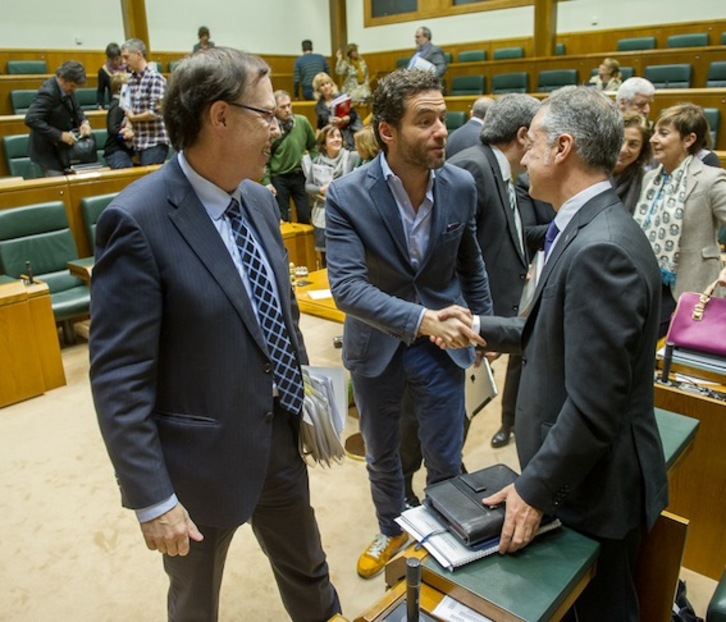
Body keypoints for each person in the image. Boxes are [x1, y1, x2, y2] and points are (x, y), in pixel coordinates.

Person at [89, 47, 340, 622]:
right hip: (196, 465)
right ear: (220, 117)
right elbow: (118, 378)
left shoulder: (257, 198)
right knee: (196, 603)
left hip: (277, 441)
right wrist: (152, 497)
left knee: (310, 575)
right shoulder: (137, 220)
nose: (279, 128)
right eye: (267, 115)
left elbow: (279, 313)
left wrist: (307, 399)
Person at [439, 86, 669, 622]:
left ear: (563, 147)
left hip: (596, 487)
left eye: (534, 137)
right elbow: (554, 329)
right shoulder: (585, 223)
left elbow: (594, 405)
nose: (526, 147)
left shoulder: (601, 247)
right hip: (581, 474)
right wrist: (477, 326)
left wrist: (533, 489)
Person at [325, 68, 493, 579]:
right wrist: (423, 320)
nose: (442, 129)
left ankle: (444, 538)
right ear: (388, 131)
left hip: (444, 348)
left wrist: (484, 326)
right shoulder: (347, 194)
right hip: (377, 346)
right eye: (426, 121)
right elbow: (348, 289)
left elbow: (471, 263)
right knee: (384, 457)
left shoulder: (461, 184)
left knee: (446, 454)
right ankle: (392, 527)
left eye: (443, 117)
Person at [448, 94, 540, 449]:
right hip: (462, 321)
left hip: (479, 322)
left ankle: (450, 466)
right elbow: (451, 258)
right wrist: (476, 322)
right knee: (446, 410)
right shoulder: (475, 167)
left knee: (462, 408)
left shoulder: (498, 168)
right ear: (522, 135)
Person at [634, 103, 726, 337]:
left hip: (691, 285)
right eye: (654, 132)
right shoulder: (650, 179)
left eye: (663, 133)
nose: (654, 139)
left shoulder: (710, 179)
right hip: (648, 283)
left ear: (688, 140)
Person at [25, 60, 92, 176]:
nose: (74, 90)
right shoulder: (48, 92)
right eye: (72, 86)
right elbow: (31, 119)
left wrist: (83, 122)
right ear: (62, 78)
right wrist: (59, 135)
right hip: (47, 153)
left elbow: (76, 108)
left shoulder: (67, 89)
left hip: (64, 151)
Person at [304, 124, 358, 263]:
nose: (337, 139)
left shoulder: (351, 157)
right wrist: (320, 190)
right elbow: (308, 186)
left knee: (346, 256)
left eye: (339, 136)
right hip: (323, 212)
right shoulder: (317, 161)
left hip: (346, 212)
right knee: (326, 258)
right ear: (324, 143)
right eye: (332, 137)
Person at [262, 89, 317, 223]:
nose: (287, 109)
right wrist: (266, 181)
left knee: (305, 214)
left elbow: (313, 146)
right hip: (279, 178)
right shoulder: (270, 129)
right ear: (275, 110)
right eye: (283, 107)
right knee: (282, 217)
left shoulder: (302, 122)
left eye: (289, 105)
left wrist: (314, 167)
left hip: (300, 175)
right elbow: (264, 158)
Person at [121, 38, 170, 165]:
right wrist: (129, 125)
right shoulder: (131, 80)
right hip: (138, 142)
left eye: (127, 57)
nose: (124, 62)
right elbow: (128, 107)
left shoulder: (155, 78)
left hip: (155, 141)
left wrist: (133, 118)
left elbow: (155, 112)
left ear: (138, 54)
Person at [612, 111, 652, 213]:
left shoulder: (647, 181)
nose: (623, 149)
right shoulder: (589, 171)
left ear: (642, 150)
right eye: (620, 140)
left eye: (633, 144)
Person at [313, 72, 361, 151]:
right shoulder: (319, 106)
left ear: (331, 84)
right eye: (322, 85)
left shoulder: (342, 97)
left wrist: (342, 120)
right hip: (331, 136)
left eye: (327, 83)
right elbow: (320, 124)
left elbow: (353, 115)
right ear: (318, 89)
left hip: (347, 134)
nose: (326, 87)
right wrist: (316, 142)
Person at [103, 72, 134, 169]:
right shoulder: (117, 106)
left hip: (124, 150)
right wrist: (125, 135)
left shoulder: (124, 104)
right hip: (116, 150)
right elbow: (113, 129)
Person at [96, 42, 126, 109]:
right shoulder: (103, 71)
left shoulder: (128, 68)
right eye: (112, 60)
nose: (115, 62)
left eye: (117, 59)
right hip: (114, 103)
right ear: (108, 58)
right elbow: (101, 91)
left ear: (121, 56)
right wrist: (100, 105)